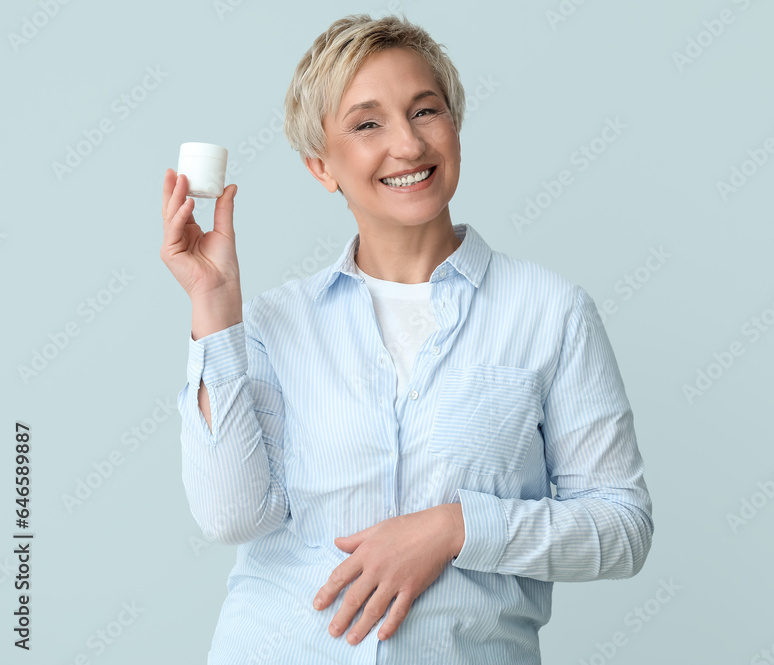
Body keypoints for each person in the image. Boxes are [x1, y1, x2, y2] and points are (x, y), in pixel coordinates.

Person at [160, 13, 653, 664]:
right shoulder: (275, 325)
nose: (408, 144)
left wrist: (456, 528)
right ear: (322, 166)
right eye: (367, 123)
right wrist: (215, 307)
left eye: (426, 111)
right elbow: (231, 516)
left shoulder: (550, 312)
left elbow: (621, 525)